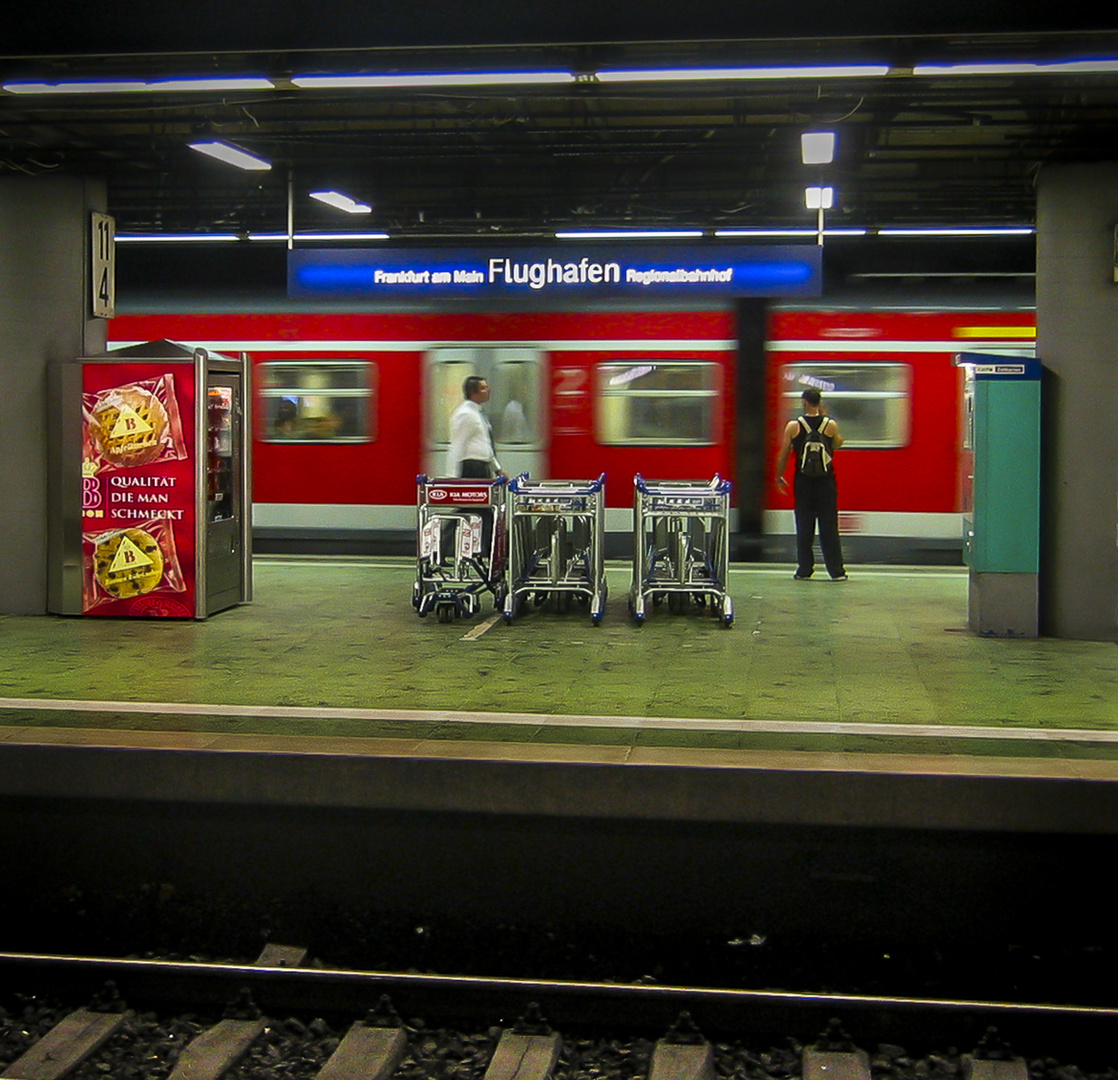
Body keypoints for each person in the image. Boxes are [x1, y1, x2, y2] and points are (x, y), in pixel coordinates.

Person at [775, 387, 848, 581]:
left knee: (804, 526)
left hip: (803, 482)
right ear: (819, 403)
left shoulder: (793, 426)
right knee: (829, 527)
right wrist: (825, 418)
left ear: (804, 402)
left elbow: (783, 454)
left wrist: (779, 476)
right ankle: (836, 571)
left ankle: (804, 569)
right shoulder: (830, 425)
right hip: (826, 483)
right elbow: (838, 444)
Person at [447, 375, 505, 478]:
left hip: (483, 467)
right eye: (483, 388)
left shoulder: (478, 413)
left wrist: (497, 469)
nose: (488, 390)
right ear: (473, 393)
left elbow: (485, 444)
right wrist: (452, 477)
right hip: (472, 468)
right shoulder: (465, 414)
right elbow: (457, 445)